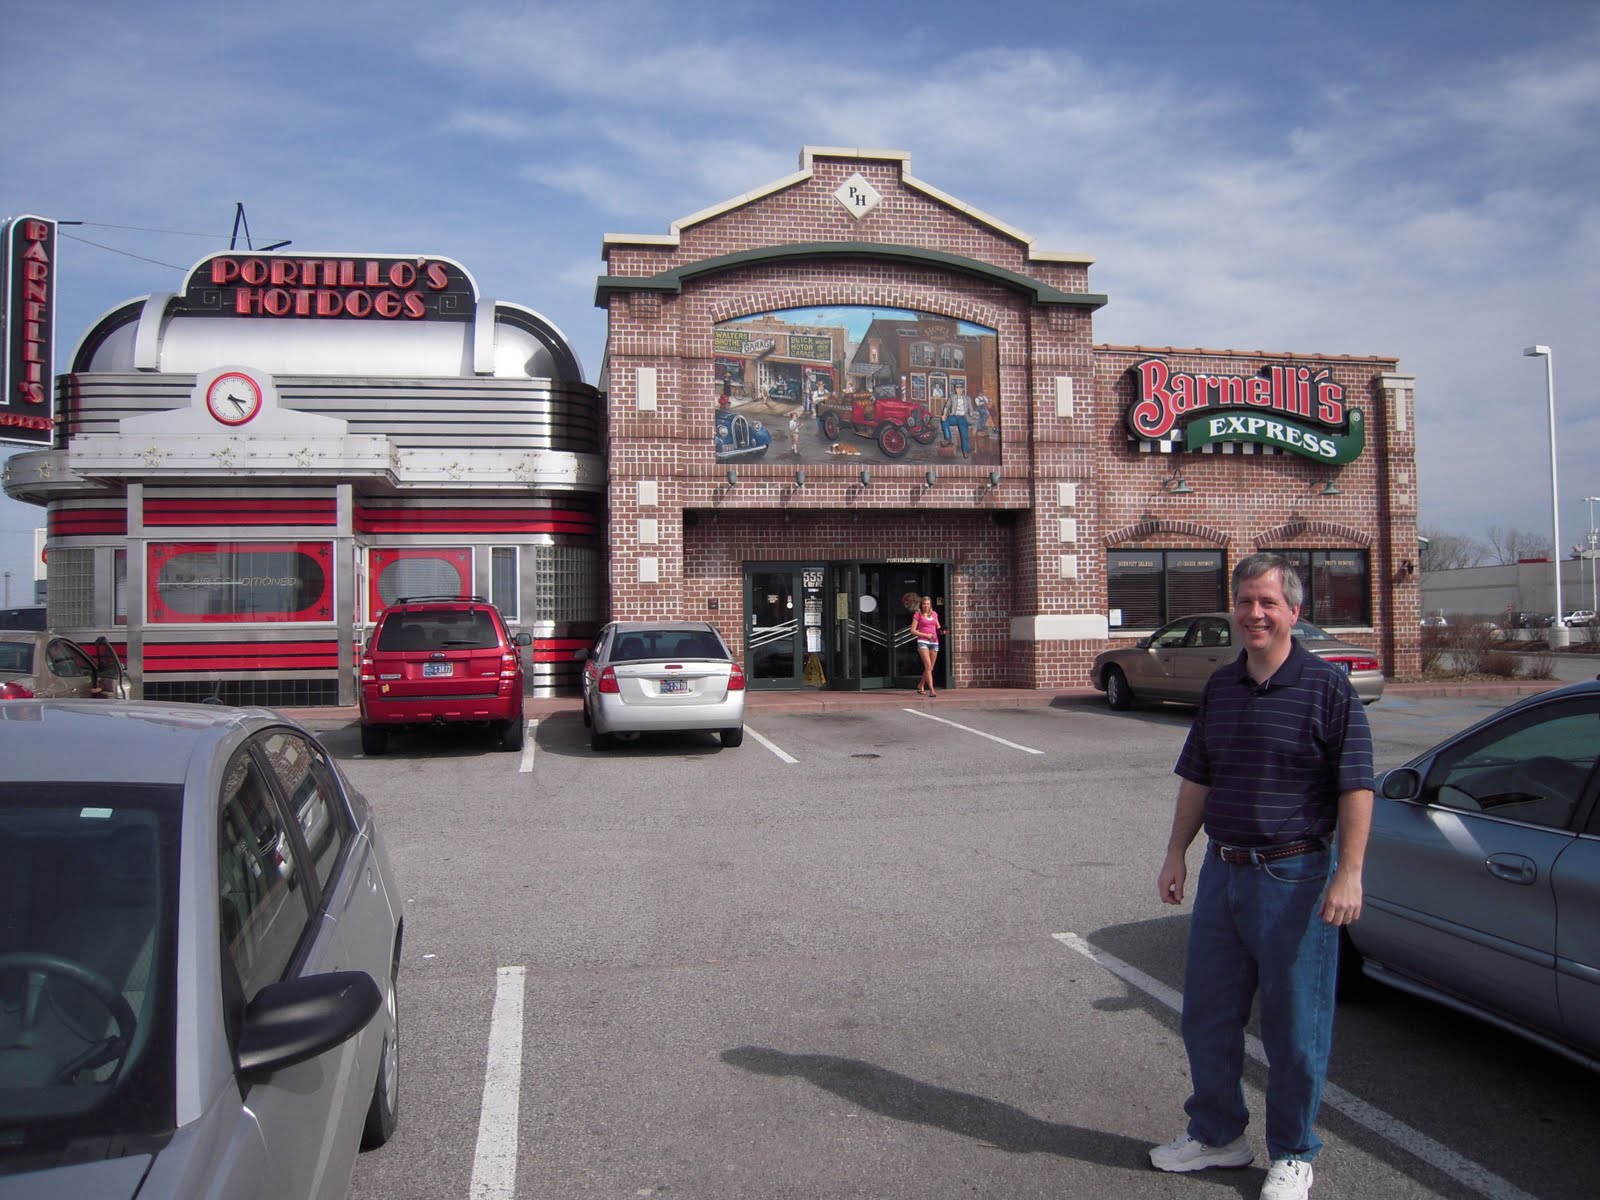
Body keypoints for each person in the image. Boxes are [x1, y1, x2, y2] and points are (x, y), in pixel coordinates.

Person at [1150, 552, 1373, 1200]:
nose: (1254, 613)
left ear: (1293, 612)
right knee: (1207, 1016)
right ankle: (1218, 1133)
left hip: (1296, 877)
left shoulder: (1327, 688)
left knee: (1293, 1026)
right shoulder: (1221, 687)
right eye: (1245, 601)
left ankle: (1294, 1153)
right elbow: (1198, 776)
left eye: (1267, 602)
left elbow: (1356, 786)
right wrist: (1176, 854)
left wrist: (1349, 873)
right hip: (1225, 872)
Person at [909, 596, 943, 697]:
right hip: (923, 641)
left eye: (928, 604)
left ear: (930, 605)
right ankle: (932, 690)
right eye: (924, 604)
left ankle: (921, 685)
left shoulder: (934, 614)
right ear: (921, 605)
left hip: (934, 641)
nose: (926, 606)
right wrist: (925, 635)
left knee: (930, 667)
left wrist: (944, 630)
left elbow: (938, 627)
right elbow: (913, 630)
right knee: (928, 666)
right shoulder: (918, 615)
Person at [940, 389, 972, 457]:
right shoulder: (952, 397)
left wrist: (970, 416)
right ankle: (948, 438)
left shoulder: (967, 398)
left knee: (964, 433)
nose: (958, 390)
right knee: (945, 420)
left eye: (960, 389)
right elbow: (947, 406)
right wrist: (944, 414)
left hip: (963, 417)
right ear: (955, 389)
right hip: (954, 416)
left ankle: (965, 450)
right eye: (957, 389)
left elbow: (971, 409)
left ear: (962, 389)